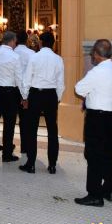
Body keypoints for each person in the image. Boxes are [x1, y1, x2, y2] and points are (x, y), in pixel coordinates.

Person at [74, 39, 112, 206]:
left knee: (93, 155)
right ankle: (109, 189)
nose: (92, 57)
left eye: (92, 54)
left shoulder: (97, 72)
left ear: (96, 54)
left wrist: (89, 95)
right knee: (107, 154)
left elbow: (79, 89)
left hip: (98, 118)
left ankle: (94, 194)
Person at [21, 31, 64, 174]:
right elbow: (60, 83)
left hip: (36, 94)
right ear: (53, 44)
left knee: (31, 130)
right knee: (52, 130)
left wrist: (25, 97)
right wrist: (57, 98)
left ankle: (31, 164)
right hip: (51, 94)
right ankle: (52, 165)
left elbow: (27, 79)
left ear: (40, 43)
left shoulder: (34, 57)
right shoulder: (58, 59)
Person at [0, 31, 26, 162]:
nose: (15, 43)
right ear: (11, 41)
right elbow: (19, 79)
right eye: (15, 41)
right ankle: (7, 153)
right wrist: (24, 96)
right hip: (10, 93)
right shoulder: (15, 57)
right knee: (9, 124)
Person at [14, 31, 35, 153]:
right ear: (27, 39)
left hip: (14, 89)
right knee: (26, 119)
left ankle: (8, 145)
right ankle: (25, 146)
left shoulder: (12, 52)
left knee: (10, 120)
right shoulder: (32, 53)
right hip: (27, 89)